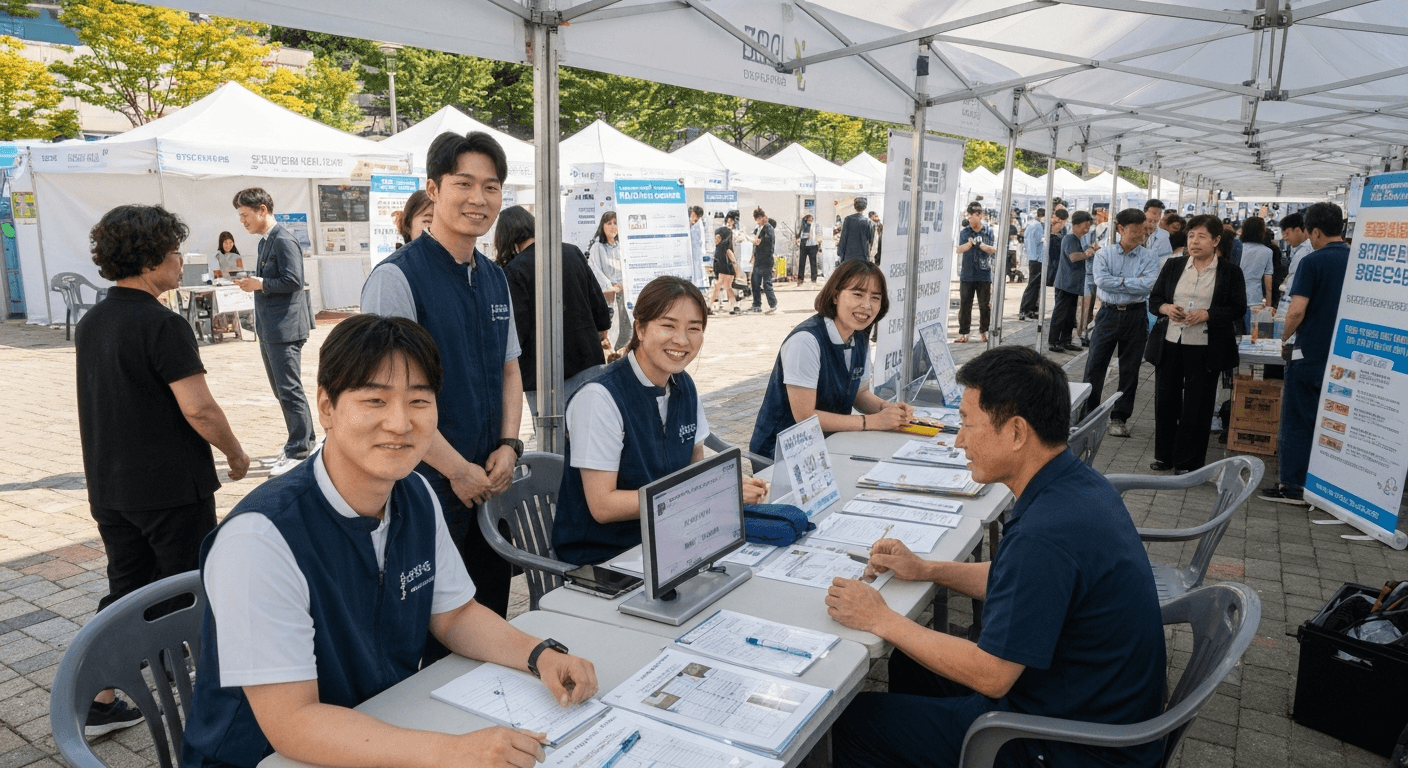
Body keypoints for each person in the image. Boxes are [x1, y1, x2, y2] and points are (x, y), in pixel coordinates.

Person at [181, 314, 599, 768]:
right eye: (375, 400)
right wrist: (453, 751)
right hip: (264, 758)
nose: (400, 423)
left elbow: (454, 615)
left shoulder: (414, 493)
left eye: (419, 400)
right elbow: (292, 722)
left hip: (378, 726)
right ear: (326, 407)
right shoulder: (260, 539)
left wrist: (539, 655)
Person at [828, 346, 1166, 768]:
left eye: (968, 424)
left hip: (1071, 744)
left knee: (850, 724)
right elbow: (1018, 580)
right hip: (1079, 698)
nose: (959, 440)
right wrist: (927, 569)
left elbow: (992, 675)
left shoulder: (1045, 535)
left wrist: (880, 619)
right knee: (912, 664)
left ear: (1017, 432)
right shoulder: (1077, 486)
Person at [77, 205, 250, 737]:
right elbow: (199, 408)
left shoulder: (92, 321)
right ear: (150, 260)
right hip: (170, 487)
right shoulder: (162, 323)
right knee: (187, 590)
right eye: (175, 252)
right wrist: (235, 453)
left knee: (127, 592)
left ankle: (100, 699)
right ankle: (205, 704)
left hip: (110, 485)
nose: (181, 261)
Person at [360, 131, 523, 626]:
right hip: (424, 487)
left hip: (488, 484)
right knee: (430, 628)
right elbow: (390, 401)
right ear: (433, 190)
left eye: (491, 187)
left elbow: (510, 368)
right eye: (464, 184)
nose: (479, 199)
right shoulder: (397, 278)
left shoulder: (493, 276)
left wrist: (509, 445)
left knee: (490, 613)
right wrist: (455, 470)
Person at [551, 277, 767, 565]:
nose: (682, 340)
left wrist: (726, 484)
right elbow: (603, 505)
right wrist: (709, 492)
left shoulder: (683, 384)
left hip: (672, 539)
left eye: (694, 328)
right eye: (668, 325)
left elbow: (694, 466)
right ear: (640, 328)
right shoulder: (599, 398)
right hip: (605, 556)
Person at [750, 260, 915, 459]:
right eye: (858, 294)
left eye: (875, 298)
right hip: (781, 455)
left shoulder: (859, 335)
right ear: (835, 296)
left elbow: (858, 393)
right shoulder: (806, 341)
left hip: (829, 445)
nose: (866, 305)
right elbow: (805, 416)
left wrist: (887, 410)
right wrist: (872, 422)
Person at [1259, 202, 1349, 505]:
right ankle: (1326, 484)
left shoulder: (1312, 261)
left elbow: (1296, 311)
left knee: (1298, 420)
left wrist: (1282, 337)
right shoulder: (1355, 260)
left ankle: (1294, 486)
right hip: (1344, 357)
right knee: (1334, 421)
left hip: (1309, 353)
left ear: (1316, 231)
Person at [1147, 215, 1247, 473]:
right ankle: (1164, 456)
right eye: (1191, 236)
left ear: (1216, 240)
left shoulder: (1230, 272)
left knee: (1198, 404)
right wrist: (1167, 308)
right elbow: (1155, 300)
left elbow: (1238, 308)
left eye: (1202, 236)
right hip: (1171, 341)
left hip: (1206, 346)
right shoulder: (1173, 265)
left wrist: (1208, 314)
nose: (1194, 241)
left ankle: (1188, 462)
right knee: (1166, 400)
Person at [495, 205, 613, 420]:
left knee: (553, 435)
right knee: (593, 426)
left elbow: (518, 328)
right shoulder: (572, 252)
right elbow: (597, 301)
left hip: (543, 372)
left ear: (506, 236)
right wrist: (602, 329)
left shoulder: (514, 270)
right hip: (587, 357)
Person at [232, 188, 316, 477]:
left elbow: (294, 280)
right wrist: (258, 283)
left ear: (262, 210)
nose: (243, 221)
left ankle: (299, 451)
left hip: (285, 328)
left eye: (245, 215)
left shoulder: (283, 240)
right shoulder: (265, 241)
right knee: (282, 391)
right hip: (270, 327)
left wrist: (261, 284)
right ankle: (303, 442)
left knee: (289, 390)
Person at [1083, 208, 1158, 438]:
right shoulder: (1104, 254)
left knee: (1130, 369)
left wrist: (1119, 282)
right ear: (1121, 229)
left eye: (1143, 230)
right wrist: (1132, 282)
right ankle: (1088, 415)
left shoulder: (1149, 257)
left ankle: (1119, 417)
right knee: (1095, 366)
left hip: (1136, 315)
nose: (1141, 235)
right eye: (1135, 231)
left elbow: (1149, 285)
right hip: (1107, 314)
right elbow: (1101, 281)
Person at [1048, 210, 1095, 353]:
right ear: (1076, 224)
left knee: (1070, 316)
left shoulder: (1079, 239)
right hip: (1066, 283)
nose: (1087, 228)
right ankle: (1053, 341)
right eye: (1085, 225)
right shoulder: (1070, 238)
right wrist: (1087, 254)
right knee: (1060, 314)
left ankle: (1065, 340)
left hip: (1073, 285)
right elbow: (1073, 257)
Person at [585, 211, 628, 351]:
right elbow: (595, 270)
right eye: (609, 223)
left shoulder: (622, 247)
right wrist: (610, 286)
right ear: (602, 226)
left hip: (624, 294)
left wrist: (624, 284)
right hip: (608, 296)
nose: (613, 226)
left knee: (625, 328)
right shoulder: (598, 247)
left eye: (615, 223)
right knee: (609, 331)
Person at [955, 202, 996, 343]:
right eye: (968, 217)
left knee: (984, 305)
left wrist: (981, 245)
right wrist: (968, 245)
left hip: (984, 274)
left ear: (980, 215)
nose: (969, 220)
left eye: (971, 217)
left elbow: (993, 249)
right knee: (965, 305)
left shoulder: (988, 231)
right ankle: (964, 333)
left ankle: (984, 331)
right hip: (967, 274)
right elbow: (958, 249)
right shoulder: (964, 232)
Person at [1237, 216, 1275, 333]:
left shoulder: (1237, 248)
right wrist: (1268, 306)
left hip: (1236, 296)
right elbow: (1268, 283)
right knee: (1254, 335)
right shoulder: (1267, 252)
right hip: (1255, 298)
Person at [747, 207, 779, 315]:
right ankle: (756, 304)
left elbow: (766, 242)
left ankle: (773, 304)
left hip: (766, 259)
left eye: (760, 218)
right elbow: (756, 244)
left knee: (766, 283)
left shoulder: (768, 228)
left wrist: (758, 241)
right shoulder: (758, 229)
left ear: (764, 217)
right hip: (759, 259)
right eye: (757, 219)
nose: (759, 221)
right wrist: (753, 255)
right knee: (755, 282)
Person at [1018, 208, 1046, 320]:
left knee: (1035, 285)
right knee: (1033, 285)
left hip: (1034, 258)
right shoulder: (1037, 226)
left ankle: (1031, 309)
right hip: (1036, 259)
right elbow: (1036, 242)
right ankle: (1026, 310)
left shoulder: (1032, 225)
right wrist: (1035, 258)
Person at [1279, 212, 1313, 291]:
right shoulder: (1296, 248)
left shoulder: (1307, 251)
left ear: (1297, 230)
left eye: (1287, 233)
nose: (1284, 237)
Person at [837, 197, 874, 262]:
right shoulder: (869, 222)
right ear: (865, 207)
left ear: (854, 206)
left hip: (848, 256)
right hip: (863, 256)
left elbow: (843, 238)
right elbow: (871, 241)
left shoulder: (848, 219)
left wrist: (840, 253)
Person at [795, 213, 819, 286]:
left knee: (813, 263)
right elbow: (800, 234)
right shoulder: (803, 225)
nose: (811, 221)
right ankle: (800, 278)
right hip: (804, 245)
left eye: (812, 219)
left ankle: (814, 278)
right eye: (809, 219)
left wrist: (818, 244)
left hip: (813, 245)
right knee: (802, 262)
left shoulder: (815, 225)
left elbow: (817, 234)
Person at [688, 205, 709, 289]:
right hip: (696, 250)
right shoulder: (696, 224)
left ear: (697, 215)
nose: (691, 215)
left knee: (698, 269)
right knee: (697, 268)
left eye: (693, 214)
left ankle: (699, 286)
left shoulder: (697, 226)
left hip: (697, 251)